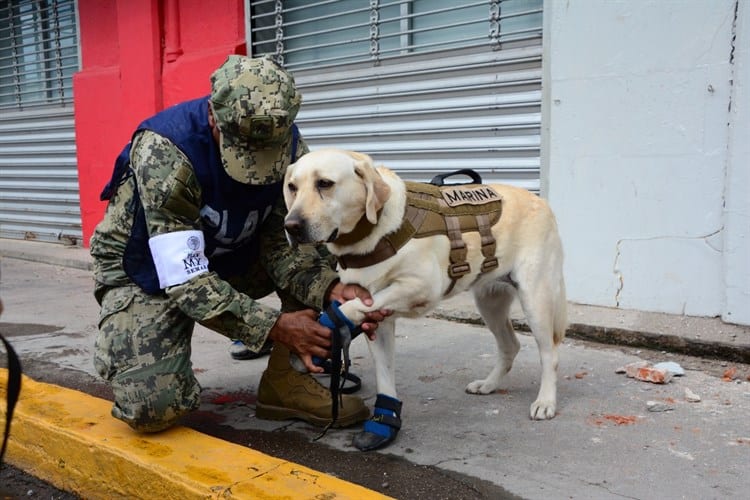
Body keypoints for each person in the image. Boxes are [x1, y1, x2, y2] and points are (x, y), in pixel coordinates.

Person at [89, 54, 389, 433]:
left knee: (317, 239)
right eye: (245, 151)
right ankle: (150, 350)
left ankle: (286, 381)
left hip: (228, 257)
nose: (259, 166)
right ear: (214, 117)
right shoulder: (166, 152)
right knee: (153, 408)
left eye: (268, 153)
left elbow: (286, 244)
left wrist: (331, 289)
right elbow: (184, 276)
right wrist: (272, 326)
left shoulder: (290, 146)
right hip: (145, 272)